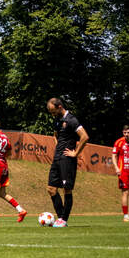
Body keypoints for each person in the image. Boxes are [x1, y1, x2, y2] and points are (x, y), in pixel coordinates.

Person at [45, 98, 88, 228]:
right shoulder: (57, 120)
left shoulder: (71, 120)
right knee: (51, 189)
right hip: (57, 158)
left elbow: (84, 136)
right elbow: (55, 135)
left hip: (67, 159)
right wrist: (58, 147)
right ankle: (60, 218)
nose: (52, 114)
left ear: (59, 107)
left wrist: (75, 153)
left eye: (53, 111)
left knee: (67, 189)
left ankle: (63, 220)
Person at [112, 125, 129, 222]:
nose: (126, 134)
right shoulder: (119, 142)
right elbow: (114, 156)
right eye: (125, 133)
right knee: (125, 192)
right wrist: (116, 168)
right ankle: (126, 216)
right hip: (123, 172)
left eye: (128, 132)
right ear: (122, 133)